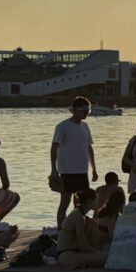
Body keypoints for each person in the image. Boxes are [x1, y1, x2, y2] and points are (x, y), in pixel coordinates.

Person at [50, 96, 99, 227]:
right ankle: (62, 230)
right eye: (84, 111)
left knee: (82, 203)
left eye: (88, 111)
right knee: (64, 202)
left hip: (82, 170)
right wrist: (53, 169)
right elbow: (54, 147)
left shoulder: (85, 126)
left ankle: (76, 227)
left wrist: (94, 169)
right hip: (67, 170)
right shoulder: (63, 126)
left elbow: (89, 148)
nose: (86, 114)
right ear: (75, 110)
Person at [56, 189, 107, 269]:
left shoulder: (82, 215)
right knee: (105, 258)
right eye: (96, 200)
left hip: (73, 253)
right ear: (90, 201)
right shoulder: (78, 215)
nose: (98, 202)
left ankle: (90, 259)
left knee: (92, 223)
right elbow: (83, 246)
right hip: (66, 255)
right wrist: (98, 253)